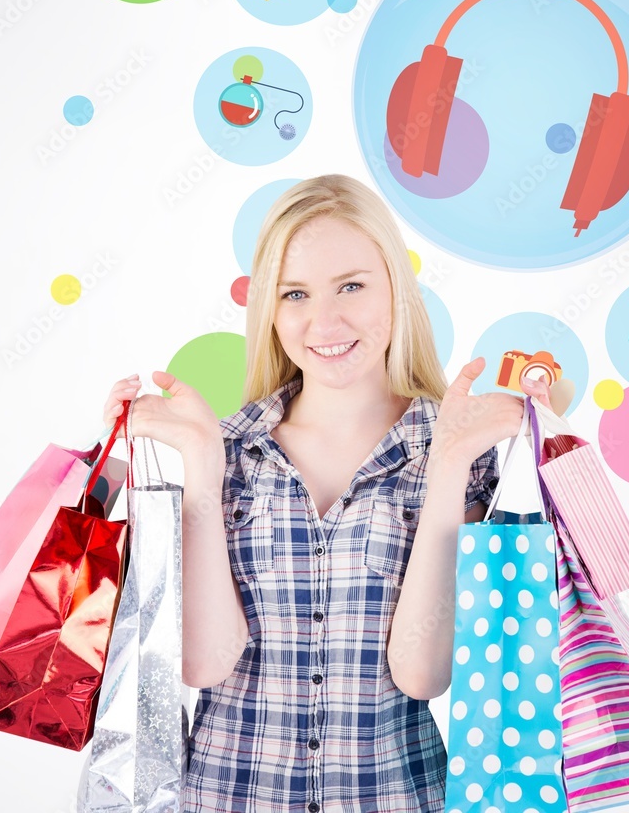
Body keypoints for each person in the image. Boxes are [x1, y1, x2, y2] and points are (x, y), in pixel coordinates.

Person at [101, 174, 554, 812]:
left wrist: (450, 463)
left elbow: (423, 675)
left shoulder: (457, 449)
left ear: (396, 285)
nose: (325, 320)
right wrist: (202, 463)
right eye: (295, 293)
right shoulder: (228, 449)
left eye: (351, 285)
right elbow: (204, 666)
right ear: (270, 309)